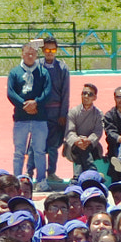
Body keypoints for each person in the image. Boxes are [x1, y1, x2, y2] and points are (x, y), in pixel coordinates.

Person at [6, 42, 52, 182]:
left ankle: (41, 180)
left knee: (39, 151)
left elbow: (47, 91)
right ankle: (16, 180)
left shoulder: (43, 72)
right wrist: (24, 105)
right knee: (19, 152)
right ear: (22, 54)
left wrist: (36, 103)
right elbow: (10, 92)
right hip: (21, 118)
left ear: (37, 55)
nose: (30, 56)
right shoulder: (15, 72)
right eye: (27, 53)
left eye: (33, 53)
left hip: (40, 118)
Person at [37, 36, 70, 181]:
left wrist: (63, 114)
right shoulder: (36, 66)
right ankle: (33, 173)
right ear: (43, 50)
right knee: (36, 146)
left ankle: (51, 173)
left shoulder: (62, 68)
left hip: (56, 113)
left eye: (53, 49)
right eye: (47, 49)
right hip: (39, 112)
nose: (50, 52)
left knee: (53, 146)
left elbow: (65, 93)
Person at [63, 83, 104, 174]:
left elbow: (98, 132)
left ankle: (77, 178)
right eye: (84, 93)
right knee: (80, 149)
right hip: (73, 146)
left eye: (90, 94)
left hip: (91, 146)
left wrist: (88, 140)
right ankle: (92, 171)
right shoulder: (73, 112)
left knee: (82, 152)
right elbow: (69, 132)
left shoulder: (98, 114)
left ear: (95, 98)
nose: (86, 96)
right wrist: (78, 140)